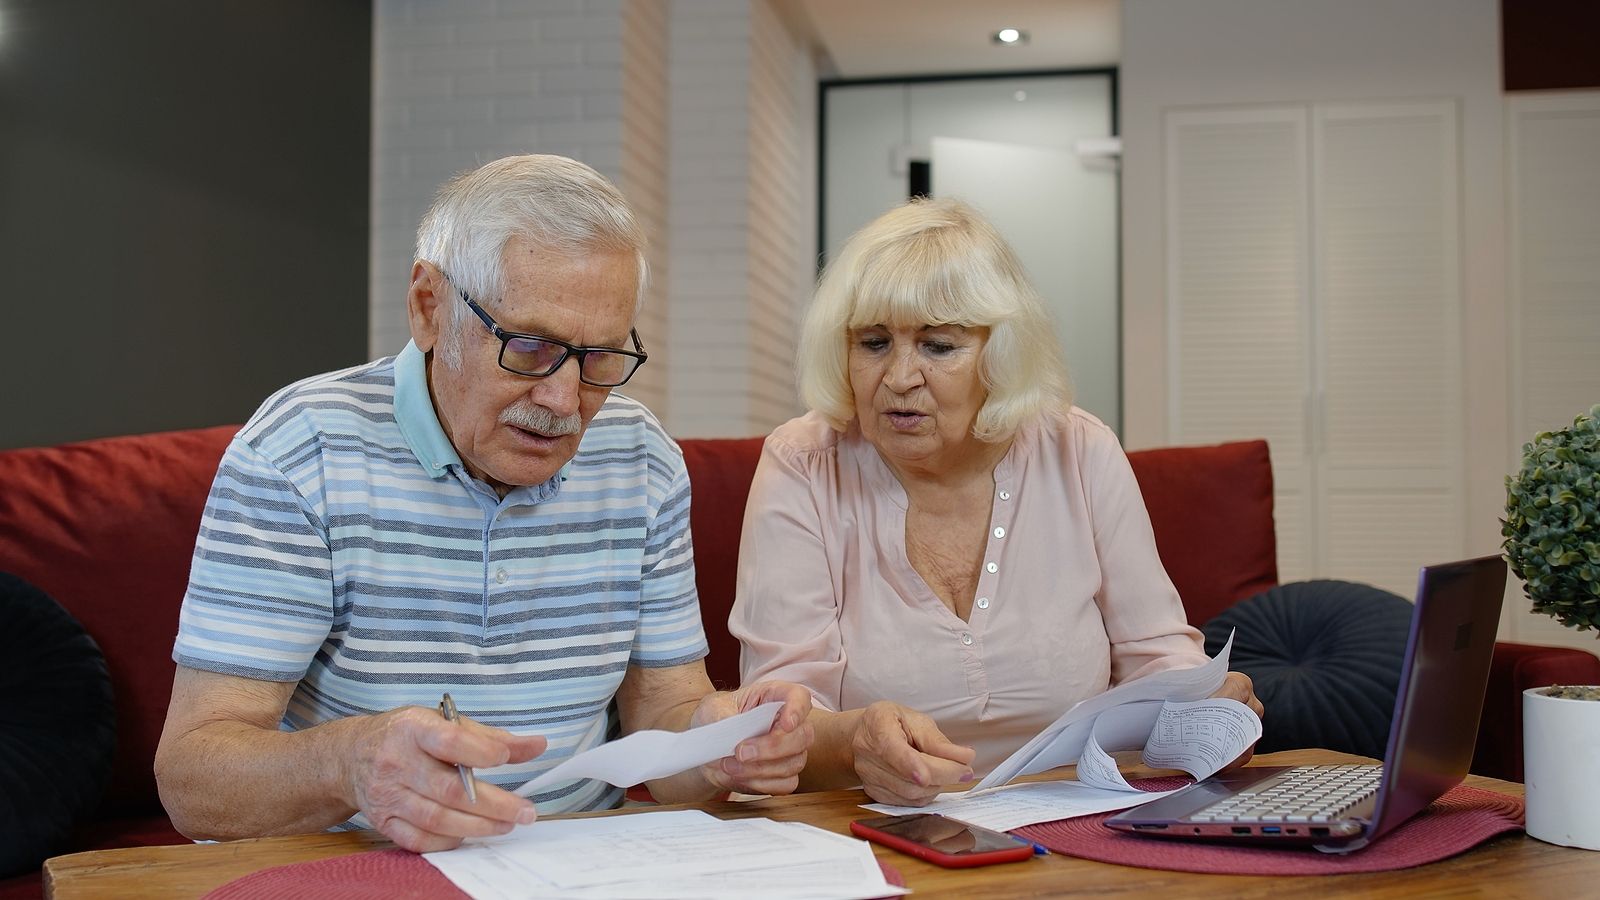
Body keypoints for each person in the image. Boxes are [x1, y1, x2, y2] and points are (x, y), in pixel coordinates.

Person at [154, 155, 812, 852]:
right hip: (363, 865)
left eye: (600, 358)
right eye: (529, 348)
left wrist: (722, 739)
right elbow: (195, 779)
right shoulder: (301, 449)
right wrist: (349, 764)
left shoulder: (640, 459)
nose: (564, 402)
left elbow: (665, 710)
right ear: (428, 308)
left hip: (579, 865)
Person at [729, 197, 1261, 807]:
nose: (900, 376)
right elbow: (783, 713)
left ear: (1000, 355)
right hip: (866, 821)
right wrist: (852, 743)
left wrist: (1209, 714)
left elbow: (1156, 658)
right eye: (874, 343)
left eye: (938, 346)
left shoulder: (1078, 449)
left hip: (1072, 818)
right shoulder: (803, 463)